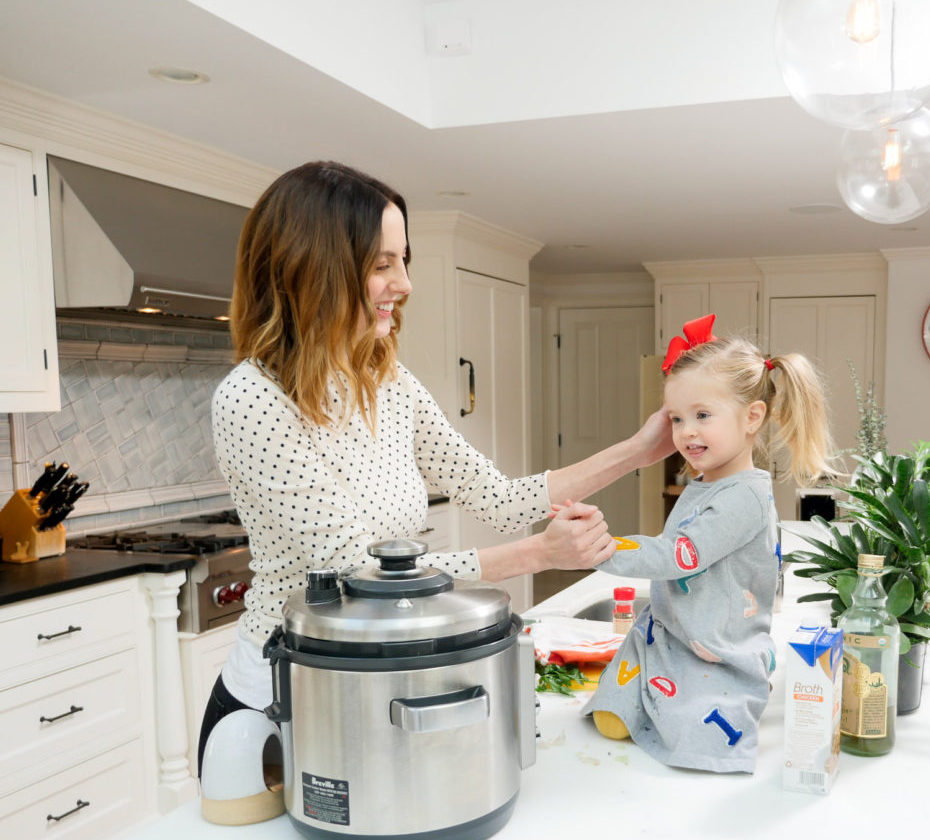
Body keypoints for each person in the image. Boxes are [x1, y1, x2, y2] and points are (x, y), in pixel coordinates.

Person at [200, 160, 675, 773]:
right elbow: (359, 576)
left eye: (404, 261)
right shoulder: (252, 400)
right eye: (380, 264)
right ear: (311, 272)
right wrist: (538, 556)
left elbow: (499, 499)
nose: (404, 282)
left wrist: (639, 450)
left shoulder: (385, 382)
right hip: (282, 701)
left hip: (378, 677)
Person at [580, 313, 838, 773]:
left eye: (702, 415)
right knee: (610, 720)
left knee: (697, 746)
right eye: (677, 418)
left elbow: (679, 555)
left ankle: (731, 693)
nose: (686, 432)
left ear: (752, 417)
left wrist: (602, 547)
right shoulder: (706, 482)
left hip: (717, 650)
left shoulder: (744, 497)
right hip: (666, 636)